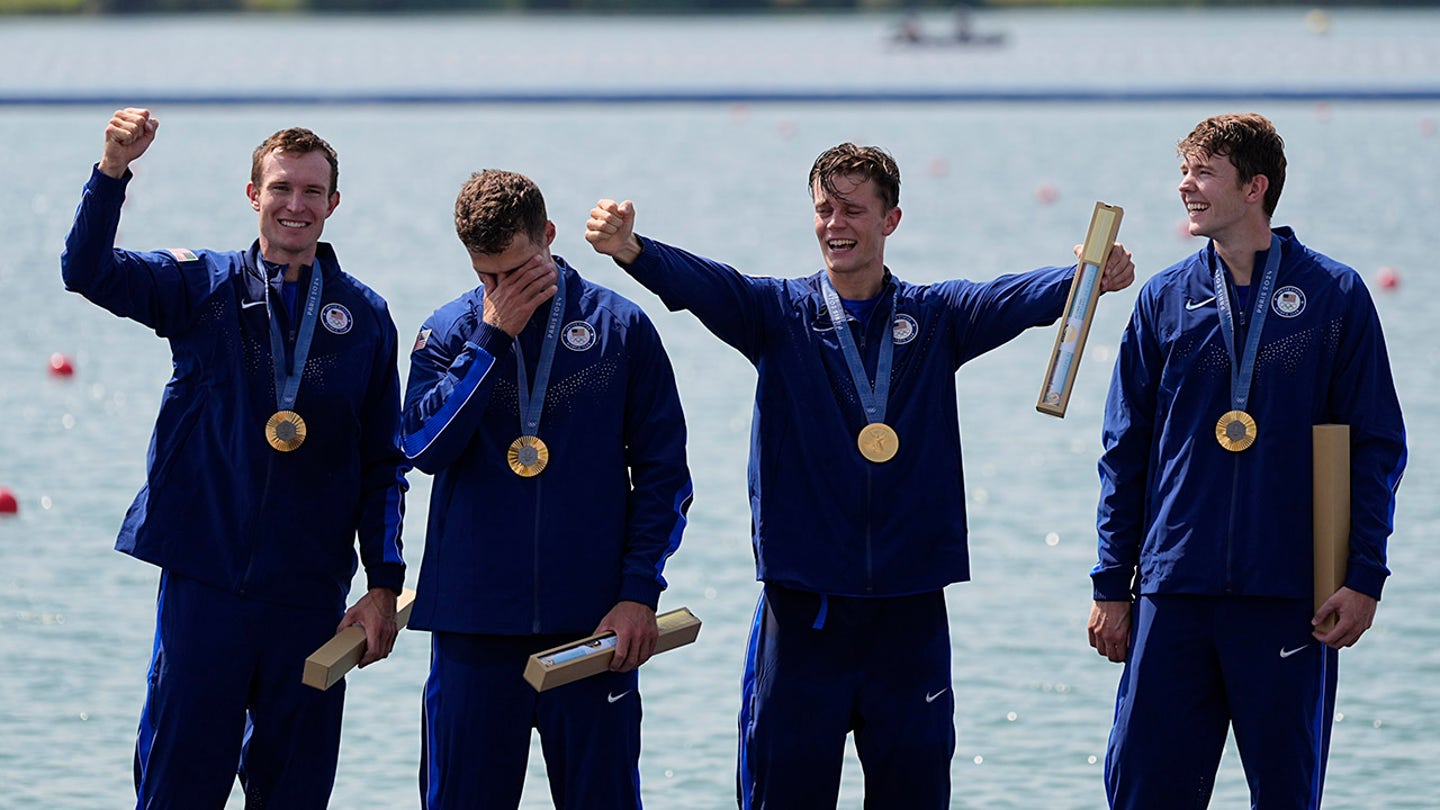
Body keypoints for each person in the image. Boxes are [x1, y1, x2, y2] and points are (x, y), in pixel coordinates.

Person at [586, 143, 1133, 808]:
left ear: (890, 220)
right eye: (823, 209)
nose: (834, 224)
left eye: (852, 209)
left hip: (909, 619)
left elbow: (1013, 297)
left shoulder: (937, 319)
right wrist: (632, 249)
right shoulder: (777, 316)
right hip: (804, 618)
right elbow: (705, 283)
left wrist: (1086, 275)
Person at [60, 108, 408, 808]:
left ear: (334, 205)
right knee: (176, 790)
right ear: (253, 195)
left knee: (294, 795)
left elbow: (382, 465)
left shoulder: (364, 318)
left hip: (309, 601)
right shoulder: (200, 287)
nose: (295, 205)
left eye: (312, 192)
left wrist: (382, 583)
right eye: (281, 188)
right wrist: (112, 172)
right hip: (205, 589)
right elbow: (86, 271)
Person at [1087, 112, 1407, 808]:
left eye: (1203, 173)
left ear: (1255, 186)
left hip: (1290, 596)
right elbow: (1125, 451)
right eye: (1184, 172)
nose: (1185, 187)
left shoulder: (1334, 295)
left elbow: (1376, 446)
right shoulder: (1165, 299)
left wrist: (1363, 575)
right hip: (1173, 595)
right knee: (1142, 794)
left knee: (1287, 797)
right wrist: (1112, 583)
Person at [402, 169, 692, 809]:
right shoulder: (452, 330)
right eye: (487, 276)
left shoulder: (620, 329)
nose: (503, 289)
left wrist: (638, 592)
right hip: (474, 631)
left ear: (550, 237)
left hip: (592, 629)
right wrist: (491, 337)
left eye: (517, 270)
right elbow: (422, 449)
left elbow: (665, 474)